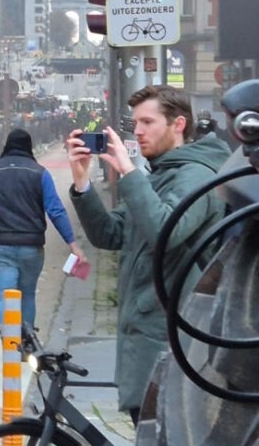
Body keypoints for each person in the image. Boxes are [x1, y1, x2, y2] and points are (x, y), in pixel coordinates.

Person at [65, 85, 231, 426]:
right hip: (149, 340)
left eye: (147, 122)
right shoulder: (162, 176)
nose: (137, 131)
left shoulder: (197, 175)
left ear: (178, 124)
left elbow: (163, 231)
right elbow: (109, 233)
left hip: (174, 345)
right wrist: (82, 184)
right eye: (135, 122)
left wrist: (128, 174)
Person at [0, 129, 85, 332]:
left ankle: (9, 341)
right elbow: (56, 210)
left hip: (0, 245)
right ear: (29, 147)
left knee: (5, 296)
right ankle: (28, 341)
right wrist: (72, 243)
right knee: (28, 294)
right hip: (32, 248)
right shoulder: (40, 173)